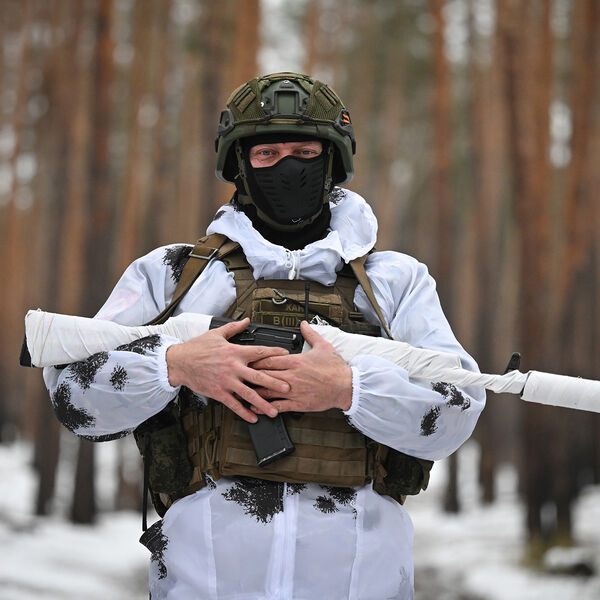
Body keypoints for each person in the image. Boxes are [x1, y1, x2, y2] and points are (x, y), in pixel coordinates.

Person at [43, 72, 485, 600]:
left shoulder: (394, 282)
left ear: (332, 161)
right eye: (267, 153)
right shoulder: (174, 275)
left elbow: (458, 411)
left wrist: (349, 389)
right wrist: (175, 366)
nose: (287, 166)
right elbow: (75, 400)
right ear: (239, 164)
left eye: (305, 151)